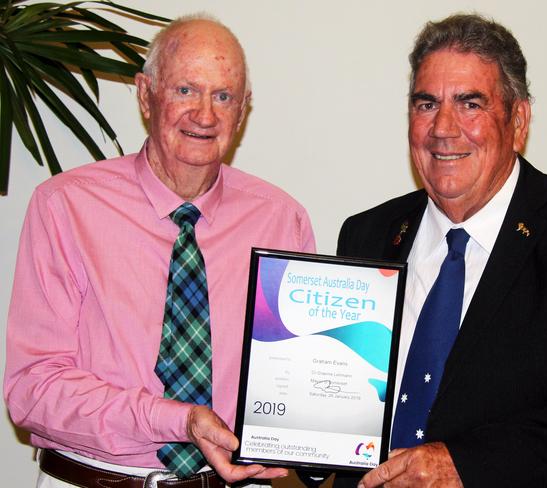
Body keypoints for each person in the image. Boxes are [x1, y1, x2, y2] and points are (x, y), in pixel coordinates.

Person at [335, 13, 547, 488]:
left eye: (470, 104)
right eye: (426, 104)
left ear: (517, 120)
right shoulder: (367, 235)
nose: (443, 128)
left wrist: (466, 464)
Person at [4, 14, 315, 488]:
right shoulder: (66, 206)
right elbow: (32, 390)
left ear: (244, 109)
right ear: (145, 94)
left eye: (224, 96)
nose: (205, 115)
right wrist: (174, 419)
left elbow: (299, 378)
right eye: (185, 90)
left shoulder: (282, 221)